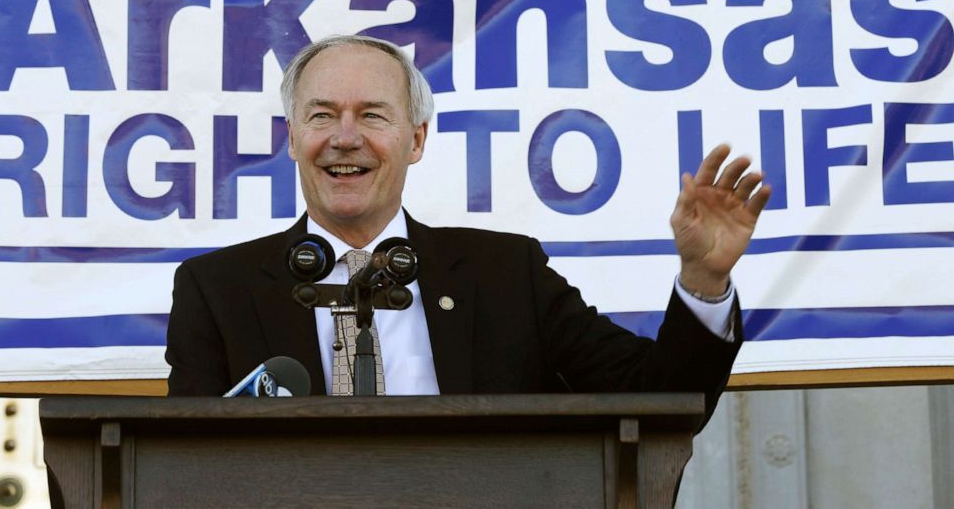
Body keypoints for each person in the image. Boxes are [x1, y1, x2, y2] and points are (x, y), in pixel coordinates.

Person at [165, 35, 770, 423]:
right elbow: (179, 464)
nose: (344, 137)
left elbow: (662, 402)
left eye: (372, 115)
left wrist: (703, 280)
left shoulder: (506, 274)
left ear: (417, 139)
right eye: (322, 115)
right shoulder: (216, 289)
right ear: (293, 139)